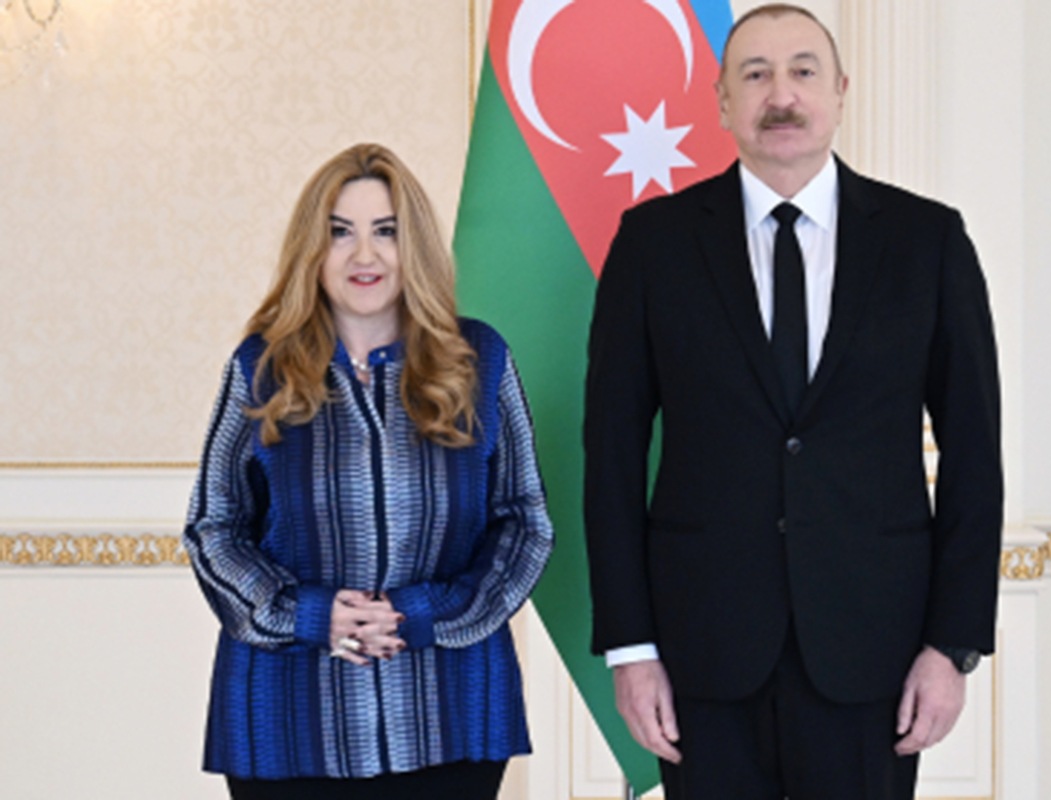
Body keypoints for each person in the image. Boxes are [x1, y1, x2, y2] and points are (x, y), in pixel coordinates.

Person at [583, 5, 1002, 799]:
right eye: (756, 74)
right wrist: (631, 649)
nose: (782, 95)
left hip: (875, 654)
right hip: (701, 652)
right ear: (722, 101)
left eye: (803, 71)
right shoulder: (652, 244)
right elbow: (610, 456)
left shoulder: (928, 242)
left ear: (840, 91)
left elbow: (976, 454)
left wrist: (951, 646)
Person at [184, 143, 553, 800]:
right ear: (312, 249)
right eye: (340, 233)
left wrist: (423, 614)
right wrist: (310, 616)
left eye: (386, 231)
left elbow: (525, 524)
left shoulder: (480, 361)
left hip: (450, 714)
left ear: (415, 246)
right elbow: (214, 527)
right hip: (286, 722)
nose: (365, 255)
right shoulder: (260, 369)